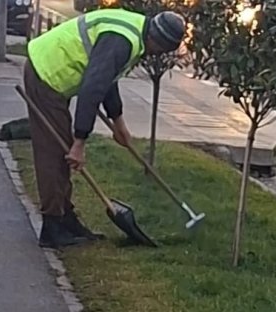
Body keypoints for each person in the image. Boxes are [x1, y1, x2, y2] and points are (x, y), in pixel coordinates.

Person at [23, 8, 186, 248]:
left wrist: (118, 122)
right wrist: (80, 142)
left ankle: (65, 218)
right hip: (46, 74)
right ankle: (52, 226)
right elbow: (92, 89)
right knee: (55, 154)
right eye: (159, 50)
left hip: (54, 73)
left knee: (60, 152)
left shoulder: (133, 31)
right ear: (157, 40)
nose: (155, 55)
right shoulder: (122, 41)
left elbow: (108, 79)